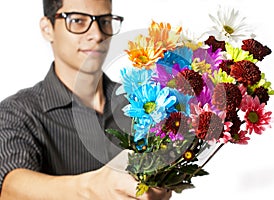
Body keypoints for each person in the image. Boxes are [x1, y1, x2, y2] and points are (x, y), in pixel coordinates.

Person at [0, 0, 172, 199]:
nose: (97, 35)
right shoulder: (17, 113)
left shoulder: (141, 103)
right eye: (78, 21)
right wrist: (92, 189)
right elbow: (10, 187)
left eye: (105, 21)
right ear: (47, 28)